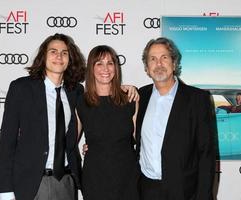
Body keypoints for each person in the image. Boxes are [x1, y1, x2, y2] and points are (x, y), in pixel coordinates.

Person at [0, 33, 85, 200]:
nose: (59, 56)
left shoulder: (76, 92)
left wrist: (123, 89)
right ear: (43, 56)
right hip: (30, 185)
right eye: (53, 51)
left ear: (70, 59)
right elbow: (7, 142)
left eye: (64, 52)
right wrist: (5, 191)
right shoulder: (21, 89)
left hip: (65, 182)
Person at [136, 37, 216, 200]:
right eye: (152, 59)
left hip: (184, 191)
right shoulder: (140, 96)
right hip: (146, 189)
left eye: (164, 57)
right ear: (146, 68)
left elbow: (206, 154)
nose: (158, 64)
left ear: (174, 63)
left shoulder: (197, 99)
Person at [75, 45, 139, 200]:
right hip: (95, 178)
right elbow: (70, 143)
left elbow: (140, 140)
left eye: (110, 63)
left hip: (128, 177)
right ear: (91, 68)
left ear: (116, 67)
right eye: (99, 63)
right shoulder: (81, 102)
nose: (106, 68)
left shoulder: (130, 98)